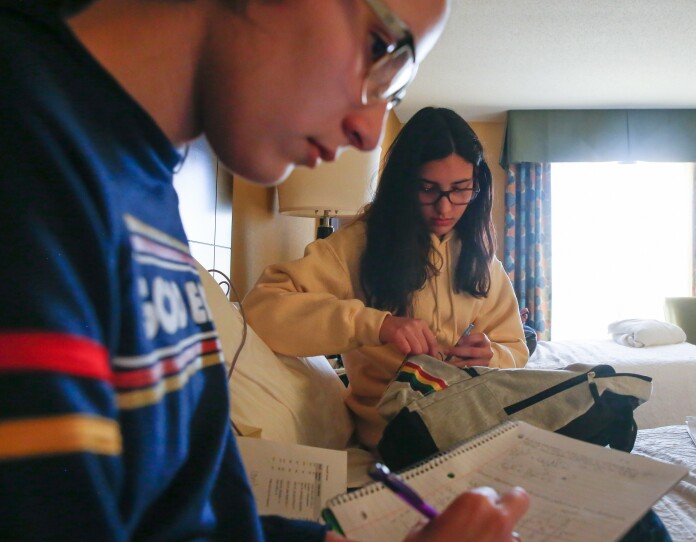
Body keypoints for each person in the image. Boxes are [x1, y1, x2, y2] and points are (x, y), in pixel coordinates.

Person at [0, 1, 528, 541]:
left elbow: (191, 518)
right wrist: (374, 323)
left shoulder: (142, 186)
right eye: (378, 50)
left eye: (393, 90)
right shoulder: (29, 151)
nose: (370, 133)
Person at [243, 107, 530, 449]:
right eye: (428, 189)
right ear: (404, 184)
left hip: (470, 421)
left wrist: (491, 356)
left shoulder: (482, 261)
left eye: (460, 190)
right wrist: (377, 325)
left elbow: (515, 347)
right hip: (393, 433)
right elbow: (263, 308)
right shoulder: (358, 245)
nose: (445, 208)